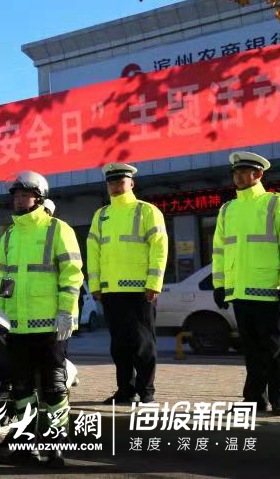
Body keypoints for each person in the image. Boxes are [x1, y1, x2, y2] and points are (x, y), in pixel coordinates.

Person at [0, 171, 83, 466]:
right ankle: (25, 446)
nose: (19, 200)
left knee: (54, 388)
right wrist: (0, 316)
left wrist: (66, 312)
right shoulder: (9, 234)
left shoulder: (58, 229)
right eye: (16, 195)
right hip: (17, 327)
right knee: (21, 389)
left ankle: (56, 447)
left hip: (50, 326)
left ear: (40, 198)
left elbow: (72, 275)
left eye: (25, 195)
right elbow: (3, 280)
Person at [212, 151, 280, 416]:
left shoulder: (276, 203)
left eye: (244, 172)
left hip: (269, 290)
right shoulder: (227, 209)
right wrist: (219, 285)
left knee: (275, 350)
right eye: (236, 173)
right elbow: (219, 251)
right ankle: (254, 400)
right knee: (252, 351)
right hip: (239, 292)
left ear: (258, 174)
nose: (238, 177)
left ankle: (279, 400)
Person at [87, 163, 168, 405]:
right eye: (111, 183)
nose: (115, 187)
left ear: (131, 183)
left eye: (120, 182)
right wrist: (95, 285)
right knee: (119, 346)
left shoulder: (147, 211)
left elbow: (159, 248)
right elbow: (93, 252)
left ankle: (146, 391)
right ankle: (124, 390)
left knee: (143, 344)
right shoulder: (101, 215)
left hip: (140, 290)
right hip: (111, 291)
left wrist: (154, 282)